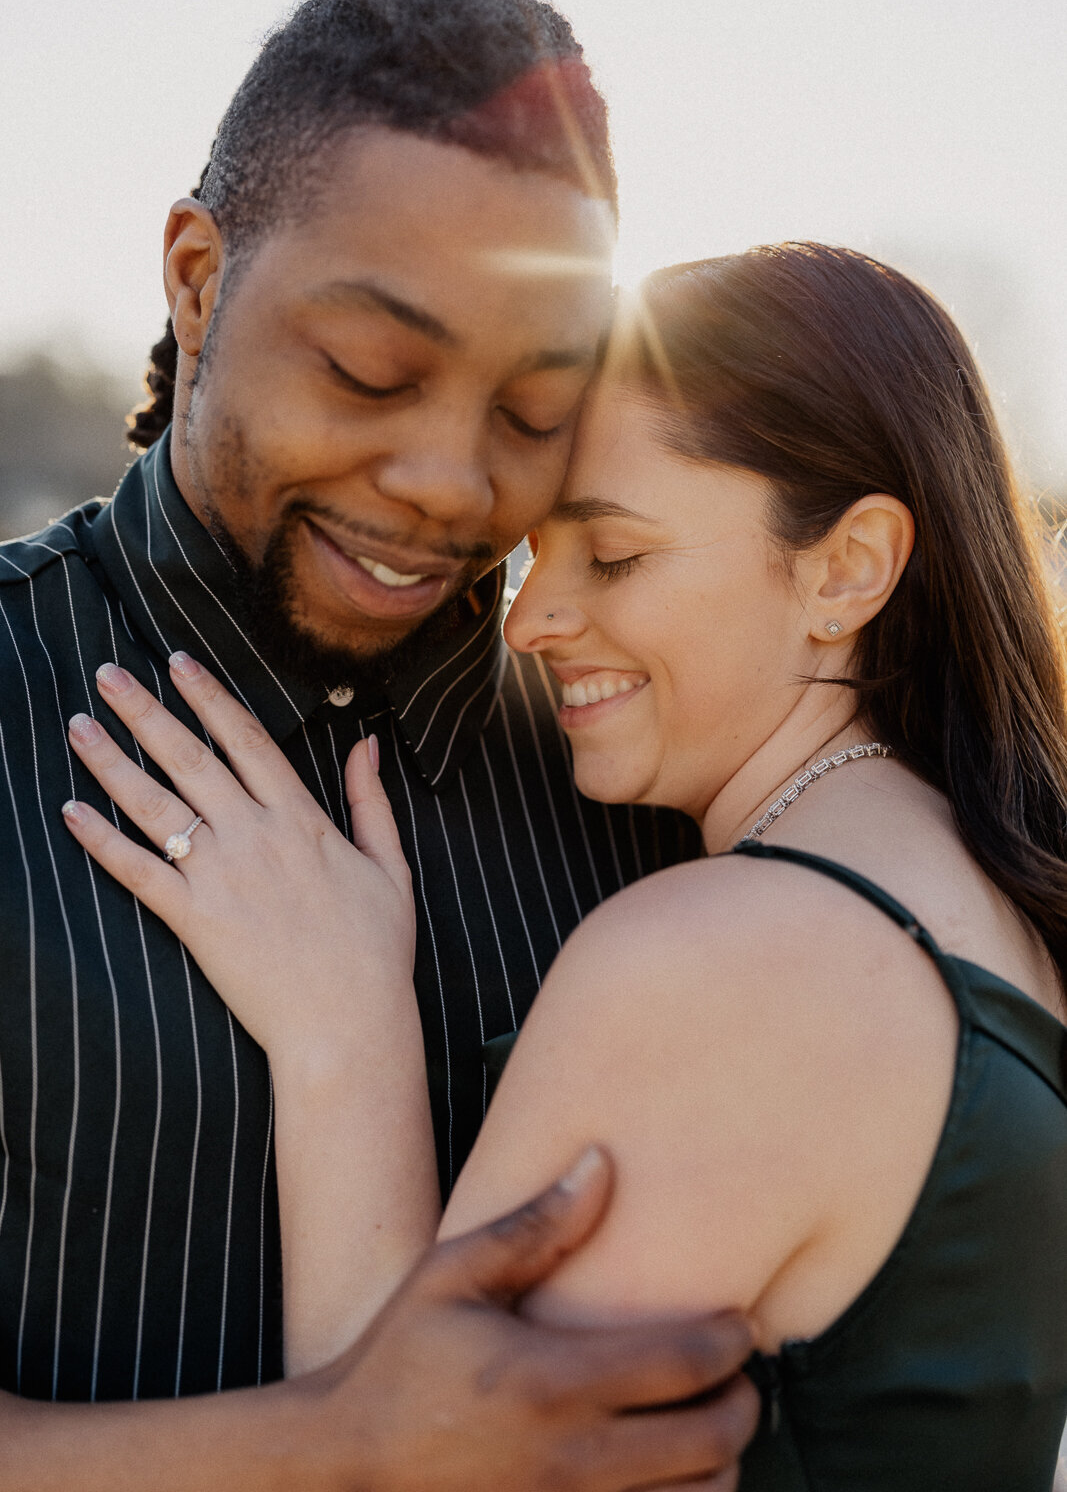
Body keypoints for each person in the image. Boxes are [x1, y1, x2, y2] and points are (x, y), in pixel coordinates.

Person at [68, 242, 1067, 1488]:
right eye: (537, 553)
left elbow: (415, 1472)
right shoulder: (981, 893)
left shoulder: (729, 959)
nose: (531, 618)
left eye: (613, 556)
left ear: (846, 567)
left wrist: (345, 1037)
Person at [0, 0, 760, 1490]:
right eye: (367, 372)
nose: (447, 483)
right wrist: (334, 1447)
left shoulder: (649, 787)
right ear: (199, 280)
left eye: (533, 413)